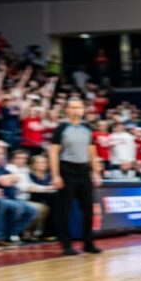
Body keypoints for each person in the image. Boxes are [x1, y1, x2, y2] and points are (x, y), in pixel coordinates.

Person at [48, 98, 102, 256]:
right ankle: (66, 245)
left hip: (84, 171)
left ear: (83, 110)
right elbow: (53, 152)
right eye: (72, 107)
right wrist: (56, 175)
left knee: (88, 210)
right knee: (64, 209)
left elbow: (92, 152)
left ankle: (89, 243)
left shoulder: (87, 128)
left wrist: (96, 171)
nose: (76, 110)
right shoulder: (61, 128)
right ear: (67, 110)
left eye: (79, 107)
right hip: (67, 169)